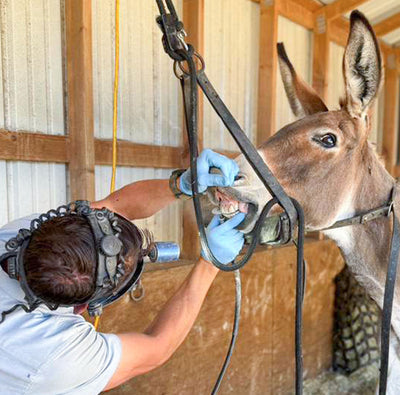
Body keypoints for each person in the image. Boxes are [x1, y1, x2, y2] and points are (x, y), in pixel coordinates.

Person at [0, 149, 245, 394]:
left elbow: (117, 206)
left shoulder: (22, 235)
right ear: (84, 307)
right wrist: (211, 263)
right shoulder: (55, 356)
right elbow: (156, 348)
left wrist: (181, 184)